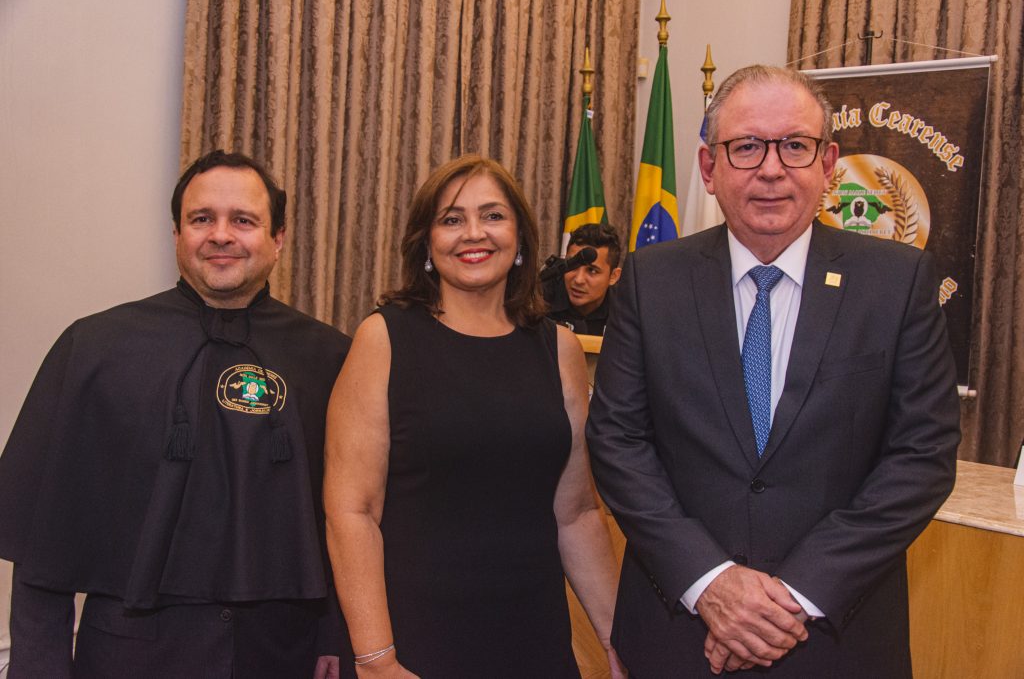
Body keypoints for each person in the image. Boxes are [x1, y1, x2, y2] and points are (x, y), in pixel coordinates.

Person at [586, 65, 960, 678]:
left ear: (828, 163)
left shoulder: (897, 282)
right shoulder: (650, 281)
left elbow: (922, 456)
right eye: (746, 147)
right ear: (709, 167)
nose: (771, 168)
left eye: (794, 145)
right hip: (680, 637)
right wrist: (711, 584)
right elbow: (617, 442)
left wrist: (791, 599)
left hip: (837, 640)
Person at [0, 150, 352, 678]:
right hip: (129, 655)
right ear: (177, 233)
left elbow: (348, 517)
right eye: (202, 218)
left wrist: (336, 639)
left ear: (278, 238)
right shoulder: (94, 350)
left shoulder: (330, 359)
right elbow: (43, 538)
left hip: (283, 655)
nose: (221, 235)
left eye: (243, 220)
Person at [324, 154, 626, 678]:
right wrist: (376, 660)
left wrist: (617, 640)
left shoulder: (559, 349)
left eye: (492, 215)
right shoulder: (385, 338)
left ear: (520, 237)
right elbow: (352, 511)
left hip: (535, 640)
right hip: (415, 645)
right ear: (426, 242)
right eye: (451, 219)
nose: (473, 233)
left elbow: (576, 513)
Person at [546, 223, 623, 336]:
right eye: (572, 265)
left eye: (592, 270)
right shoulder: (540, 300)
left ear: (613, 276)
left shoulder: (626, 310)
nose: (578, 280)